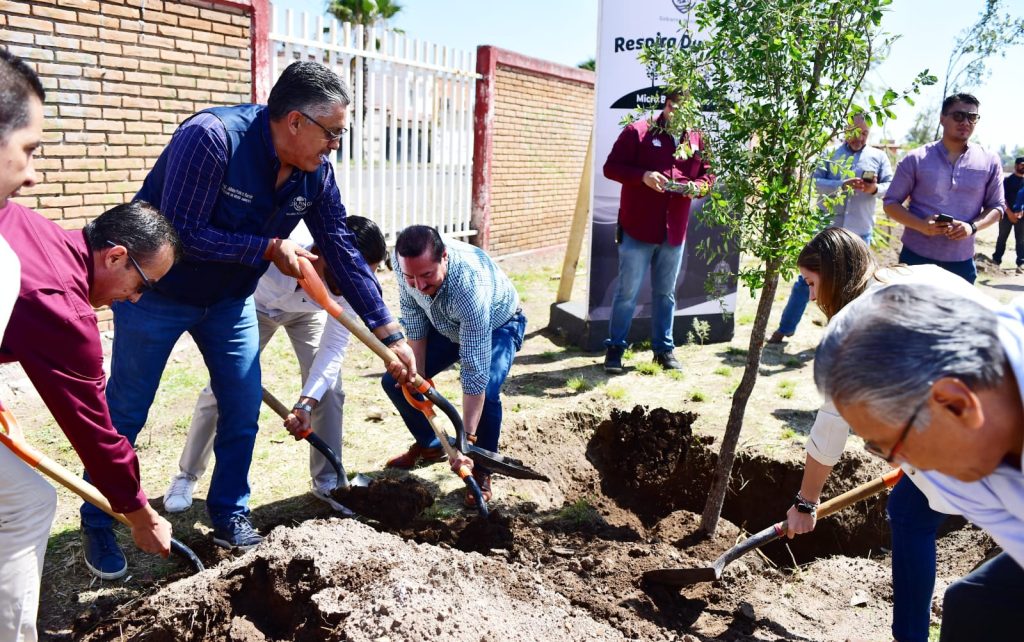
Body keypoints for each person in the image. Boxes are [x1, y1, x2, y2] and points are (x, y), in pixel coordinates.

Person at [80, 60, 417, 578]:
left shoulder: (315, 174)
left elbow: (343, 252)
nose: (335, 147)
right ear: (296, 121)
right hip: (155, 292)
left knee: (241, 407)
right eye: (333, 134)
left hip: (231, 301)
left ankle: (229, 511)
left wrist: (389, 333)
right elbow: (184, 233)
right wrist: (267, 246)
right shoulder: (212, 139)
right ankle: (100, 519)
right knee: (127, 410)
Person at [0, 49, 178, 641]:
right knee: (26, 502)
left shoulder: (33, 227)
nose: (135, 299)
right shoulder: (64, 309)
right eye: (141, 285)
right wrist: (139, 512)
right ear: (115, 256)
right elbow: (96, 434)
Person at [776, 227, 990, 642]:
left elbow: (831, 427)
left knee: (915, 516)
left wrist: (805, 502)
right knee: (911, 511)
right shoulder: (915, 274)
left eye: (811, 283)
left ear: (834, 277)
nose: (812, 295)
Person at [814, 283, 1024, 642]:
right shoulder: (957, 472)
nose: (902, 466)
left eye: (893, 445)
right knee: (972, 604)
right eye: (878, 449)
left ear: (954, 403)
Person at [163, 217, 388, 514]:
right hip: (251, 305)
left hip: (307, 314)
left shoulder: (352, 284)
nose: (347, 288)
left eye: (359, 279)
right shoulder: (280, 241)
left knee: (329, 390)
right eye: (339, 279)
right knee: (223, 388)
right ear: (319, 253)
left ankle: (328, 480)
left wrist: (305, 404)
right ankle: (187, 475)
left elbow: (333, 347)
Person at [382, 225, 526, 507]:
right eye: (411, 277)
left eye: (426, 276)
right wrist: (416, 377)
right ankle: (432, 444)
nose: (419, 285)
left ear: (444, 257)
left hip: (498, 324)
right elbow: (413, 318)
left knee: (489, 388)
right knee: (396, 382)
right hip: (445, 325)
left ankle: (481, 466)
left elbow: (474, 371)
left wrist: (466, 442)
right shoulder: (405, 267)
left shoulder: (469, 286)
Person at [601, 90, 715, 373]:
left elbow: (709, 175)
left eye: (686, 111)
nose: (678, 115)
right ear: (666, 105)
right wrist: (642, 176)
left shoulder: (698, 139)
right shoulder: (637, 131)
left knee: (666, 294)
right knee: (627, 292)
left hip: (674, 231)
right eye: (674, 108)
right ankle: (615, 348)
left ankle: (663, 350)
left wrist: (697, 186)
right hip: (638, 228)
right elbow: (610, 168)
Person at [768, 114, 893, 344]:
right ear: (846, 130)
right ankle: (785, 328)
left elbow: (891, 187)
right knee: (805, 281)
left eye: (865, 133)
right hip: (826, 233)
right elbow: (815, 182)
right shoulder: (830, 155)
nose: (860, 137)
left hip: (859, 232)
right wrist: (841, 185)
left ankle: (842, 337)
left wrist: (873, 189)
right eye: (856, 132)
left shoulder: (879, 156)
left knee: (854, 288)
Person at [882, 93, 1004, 284]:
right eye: (958, 116)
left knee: (958, 315)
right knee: (911, 314)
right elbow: (890, 203)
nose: (966, 121)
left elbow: (997, 207)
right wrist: (921, 225)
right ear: (942, 119)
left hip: (961, 262)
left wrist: (971, 227)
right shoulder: (916, 158)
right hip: (916, 258)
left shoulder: (989, 160)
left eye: (972, 117)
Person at [992, 156, 1024, 273]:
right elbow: (1002, 198)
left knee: (1021, 240)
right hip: (1006, 215)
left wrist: (1021, 213)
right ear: (1016, 165)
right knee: (1002, 238)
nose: (1023, 167)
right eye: (1021, 164)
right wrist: (1009, 213)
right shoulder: (1007, 181)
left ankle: (1020, 264)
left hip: (1021, 217)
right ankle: (996, 261)